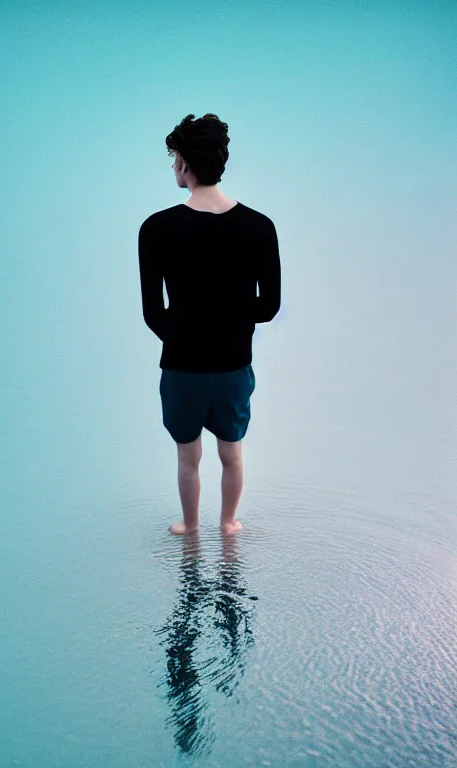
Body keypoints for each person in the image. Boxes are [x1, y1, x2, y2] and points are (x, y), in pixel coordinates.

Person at [138, 113, 281, 535]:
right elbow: (268, 306)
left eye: (174, 159)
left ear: (184, 164)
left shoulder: (155, 228)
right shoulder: (260, 226)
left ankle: (190, 524)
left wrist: (187, 332)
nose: (172, 167)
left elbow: (152, 312)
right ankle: (229, 522)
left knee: (187, 457)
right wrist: (229, 323)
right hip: (235, 363)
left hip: (182, 366)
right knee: (232, 453)